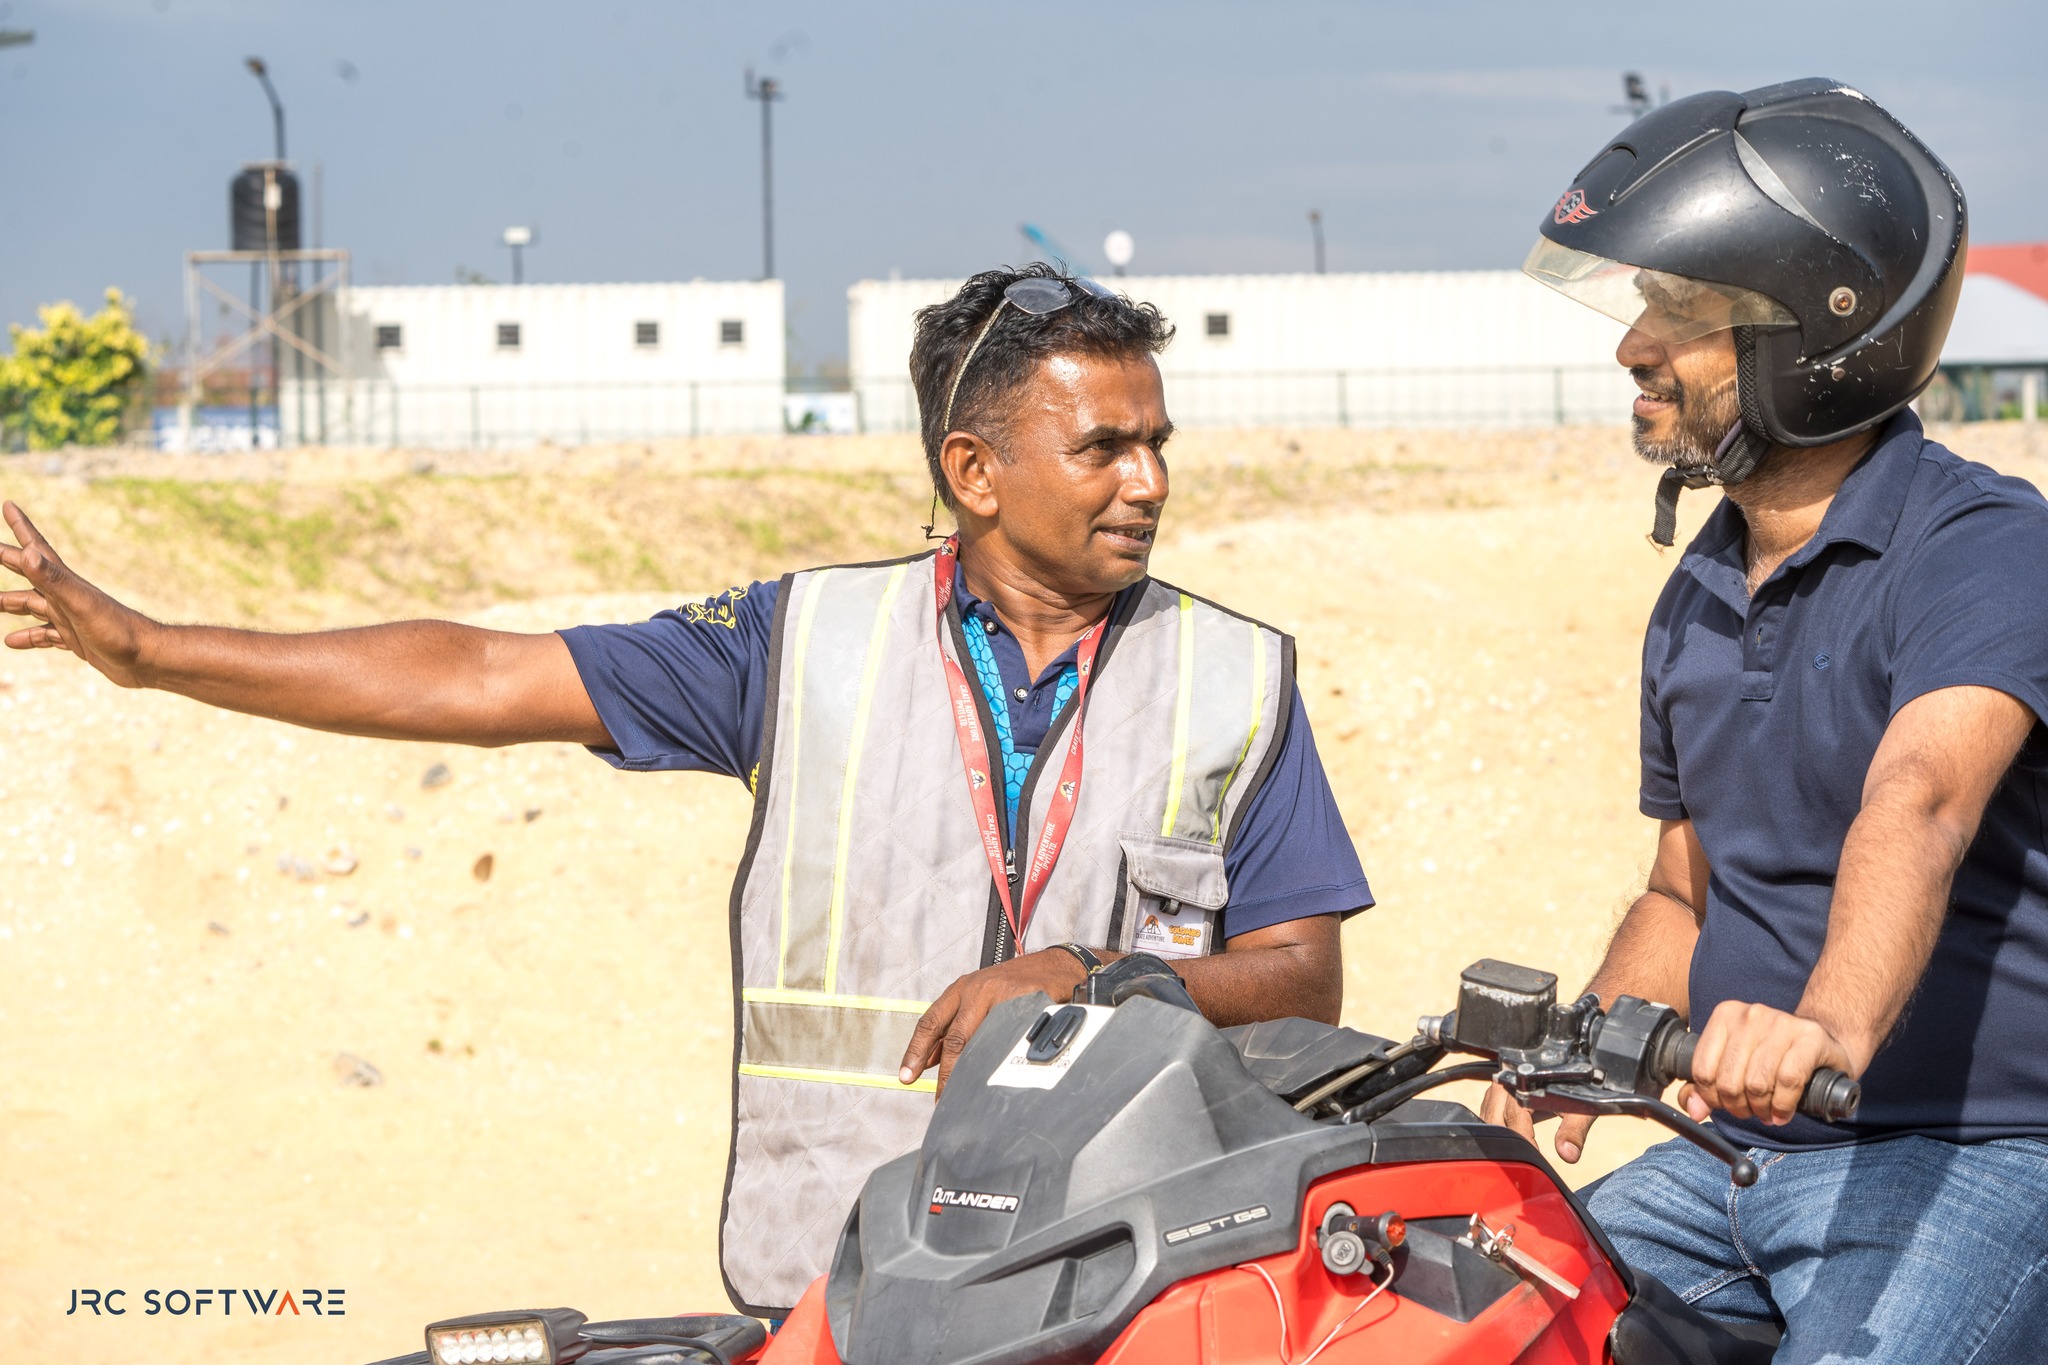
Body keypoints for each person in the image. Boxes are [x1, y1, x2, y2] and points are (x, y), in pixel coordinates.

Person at [0, 263, 1372, 1315]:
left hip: (1134, 1276)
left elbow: (1304, 976)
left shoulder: (1236, 676)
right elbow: (481, 678)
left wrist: (1090, 976)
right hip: (846, 1284)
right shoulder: (796, 644)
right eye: (1104, 447)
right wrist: (156, 652)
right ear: (975, 473)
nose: (1151, 480)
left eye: (1157, 440)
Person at [1488, 77, 2048, 1359]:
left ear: (1811, 335)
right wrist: (1588, 1043)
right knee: (1476, 1307)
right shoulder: (1694, 588)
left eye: (1676, 312)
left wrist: (1825, 1027)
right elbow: (1682, 894)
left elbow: (1922, 799)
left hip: (1972, 1157)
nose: (1631, 346)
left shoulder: (1979, 548)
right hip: (1729, 1159)